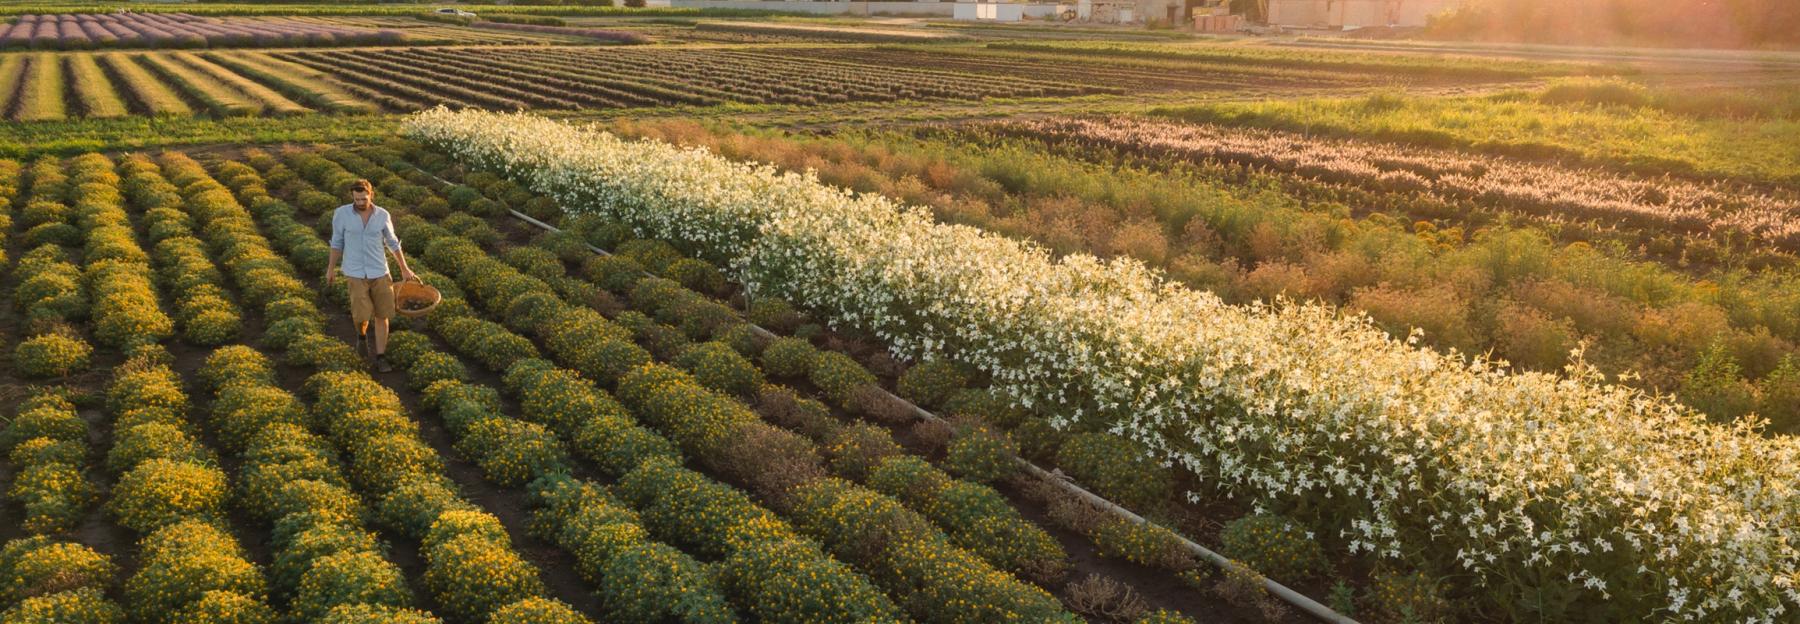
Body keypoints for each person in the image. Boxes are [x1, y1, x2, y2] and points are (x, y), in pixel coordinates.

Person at [325, 179, 416, 373]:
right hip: (355, 272)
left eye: (363, 198)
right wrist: (330, 269)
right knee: (361, 314)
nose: (360, 202)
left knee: (383, 314)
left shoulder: (382, 215)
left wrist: (404, 268)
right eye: (357, 199)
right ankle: (362, 336)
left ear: (371, 195)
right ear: (352, 196)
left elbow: (393, 243)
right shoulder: (341, 214)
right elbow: (336, 243)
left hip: (380, 271)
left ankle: (381, 356)